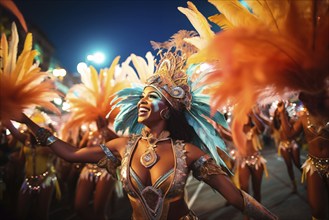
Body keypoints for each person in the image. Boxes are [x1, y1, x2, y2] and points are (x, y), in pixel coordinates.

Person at [10, 52, 277, 220]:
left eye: (152, 97)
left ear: (168, 111)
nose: (142, 101)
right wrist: (27, 122)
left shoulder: (188, 152)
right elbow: (70, 154)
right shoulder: (122, 146)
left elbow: (234, 198)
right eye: (141, 96)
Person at [277, 94, 329, 220]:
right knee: (316, 210)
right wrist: (282, 112)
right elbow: (289, 135)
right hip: (314, 166)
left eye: (306, 98)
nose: (304, 102)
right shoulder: (303, 118)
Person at [2, 116, 61, 220]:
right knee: (20, 213)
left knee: (42, 214)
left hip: (46, 179)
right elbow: (13, 130)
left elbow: (60, 152)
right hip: (28, 179)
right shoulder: (26, 139)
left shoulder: (48, 142)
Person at [272, 107, 302, 193]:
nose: (279, 113)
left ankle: (309, 178)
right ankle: (294, 185)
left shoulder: (290, 120)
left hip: (292, 143)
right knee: (289, 165)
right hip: (283, 145)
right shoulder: (275, 124)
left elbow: (297, 126)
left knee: (297, 163)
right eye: (277, 111)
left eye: (281, 111)